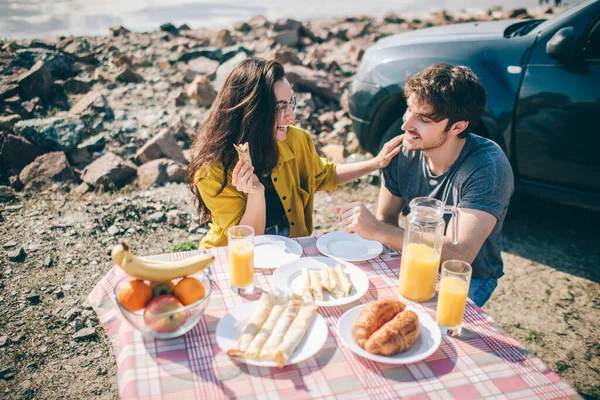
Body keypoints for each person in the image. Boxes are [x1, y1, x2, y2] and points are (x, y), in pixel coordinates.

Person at [335, 63, 514, 307]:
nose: (406, 125)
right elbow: (387, 216)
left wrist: (376, 230)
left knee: (422, 325)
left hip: (467, 277)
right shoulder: (403, 150)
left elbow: (460, 254)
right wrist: (380, 229)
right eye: (409, 110)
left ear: (458, 126)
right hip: (413, 259)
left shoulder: (487, 166)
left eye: (423, 119)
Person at [186, 58, 402, 248]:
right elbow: (247, 243)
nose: (291, 116)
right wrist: (256, 193)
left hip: (294, 250)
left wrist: (375, 163)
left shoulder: (297, 140)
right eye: (280, 108)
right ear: (252, 112)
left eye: (291, 104)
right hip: (234, 258)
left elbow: (324, 175)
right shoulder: (212, 171)